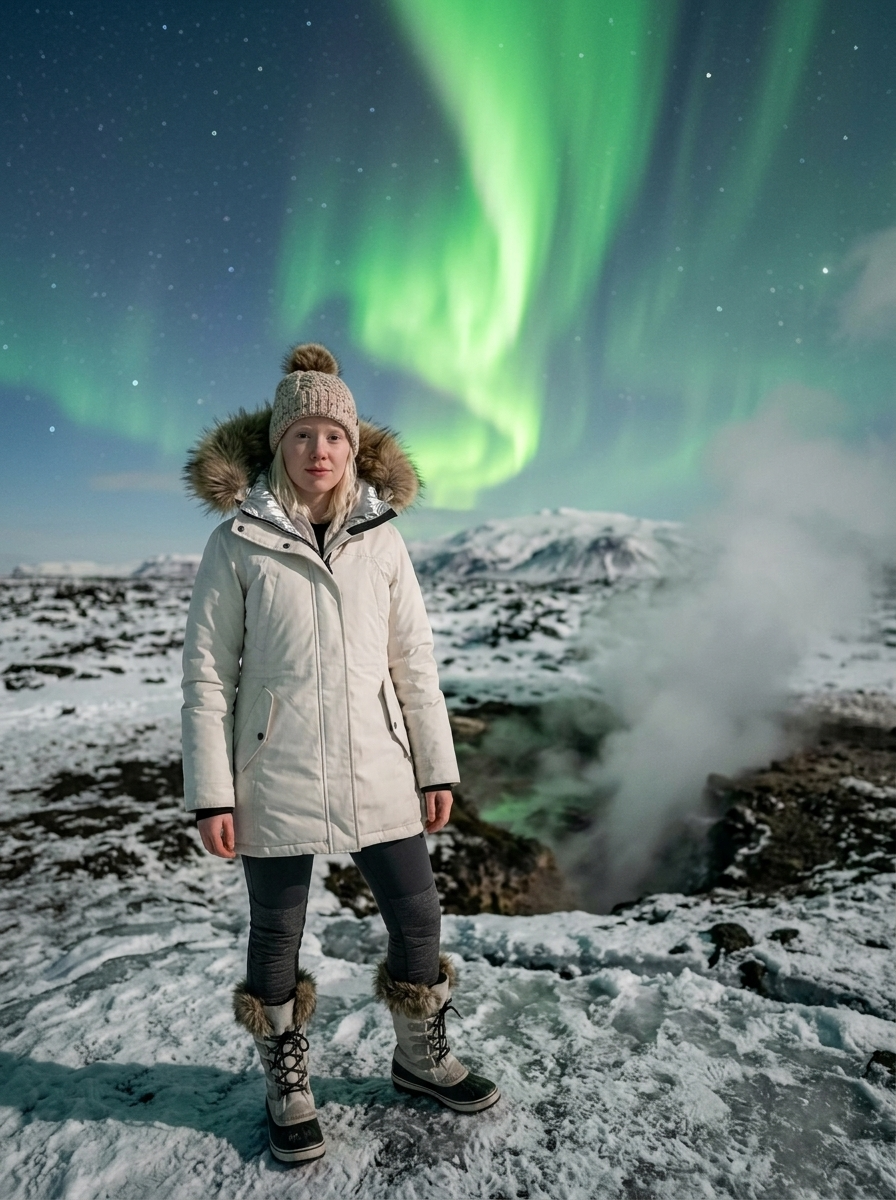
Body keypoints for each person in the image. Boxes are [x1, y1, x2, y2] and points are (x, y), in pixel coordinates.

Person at [181, 343, 499, 1165]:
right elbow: (208, 676)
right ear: (277, 445)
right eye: (302, 435)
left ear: (354, 448)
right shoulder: (236, 542)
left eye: (334, 436)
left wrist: (436, 765)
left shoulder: (384, 541)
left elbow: (413, 661)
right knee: (277, 930)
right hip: (273, 769)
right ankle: (288, 1081)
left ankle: (419, 1056)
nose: (318, 451)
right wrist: (212, 794)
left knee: (418, 913)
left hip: (378, 760)